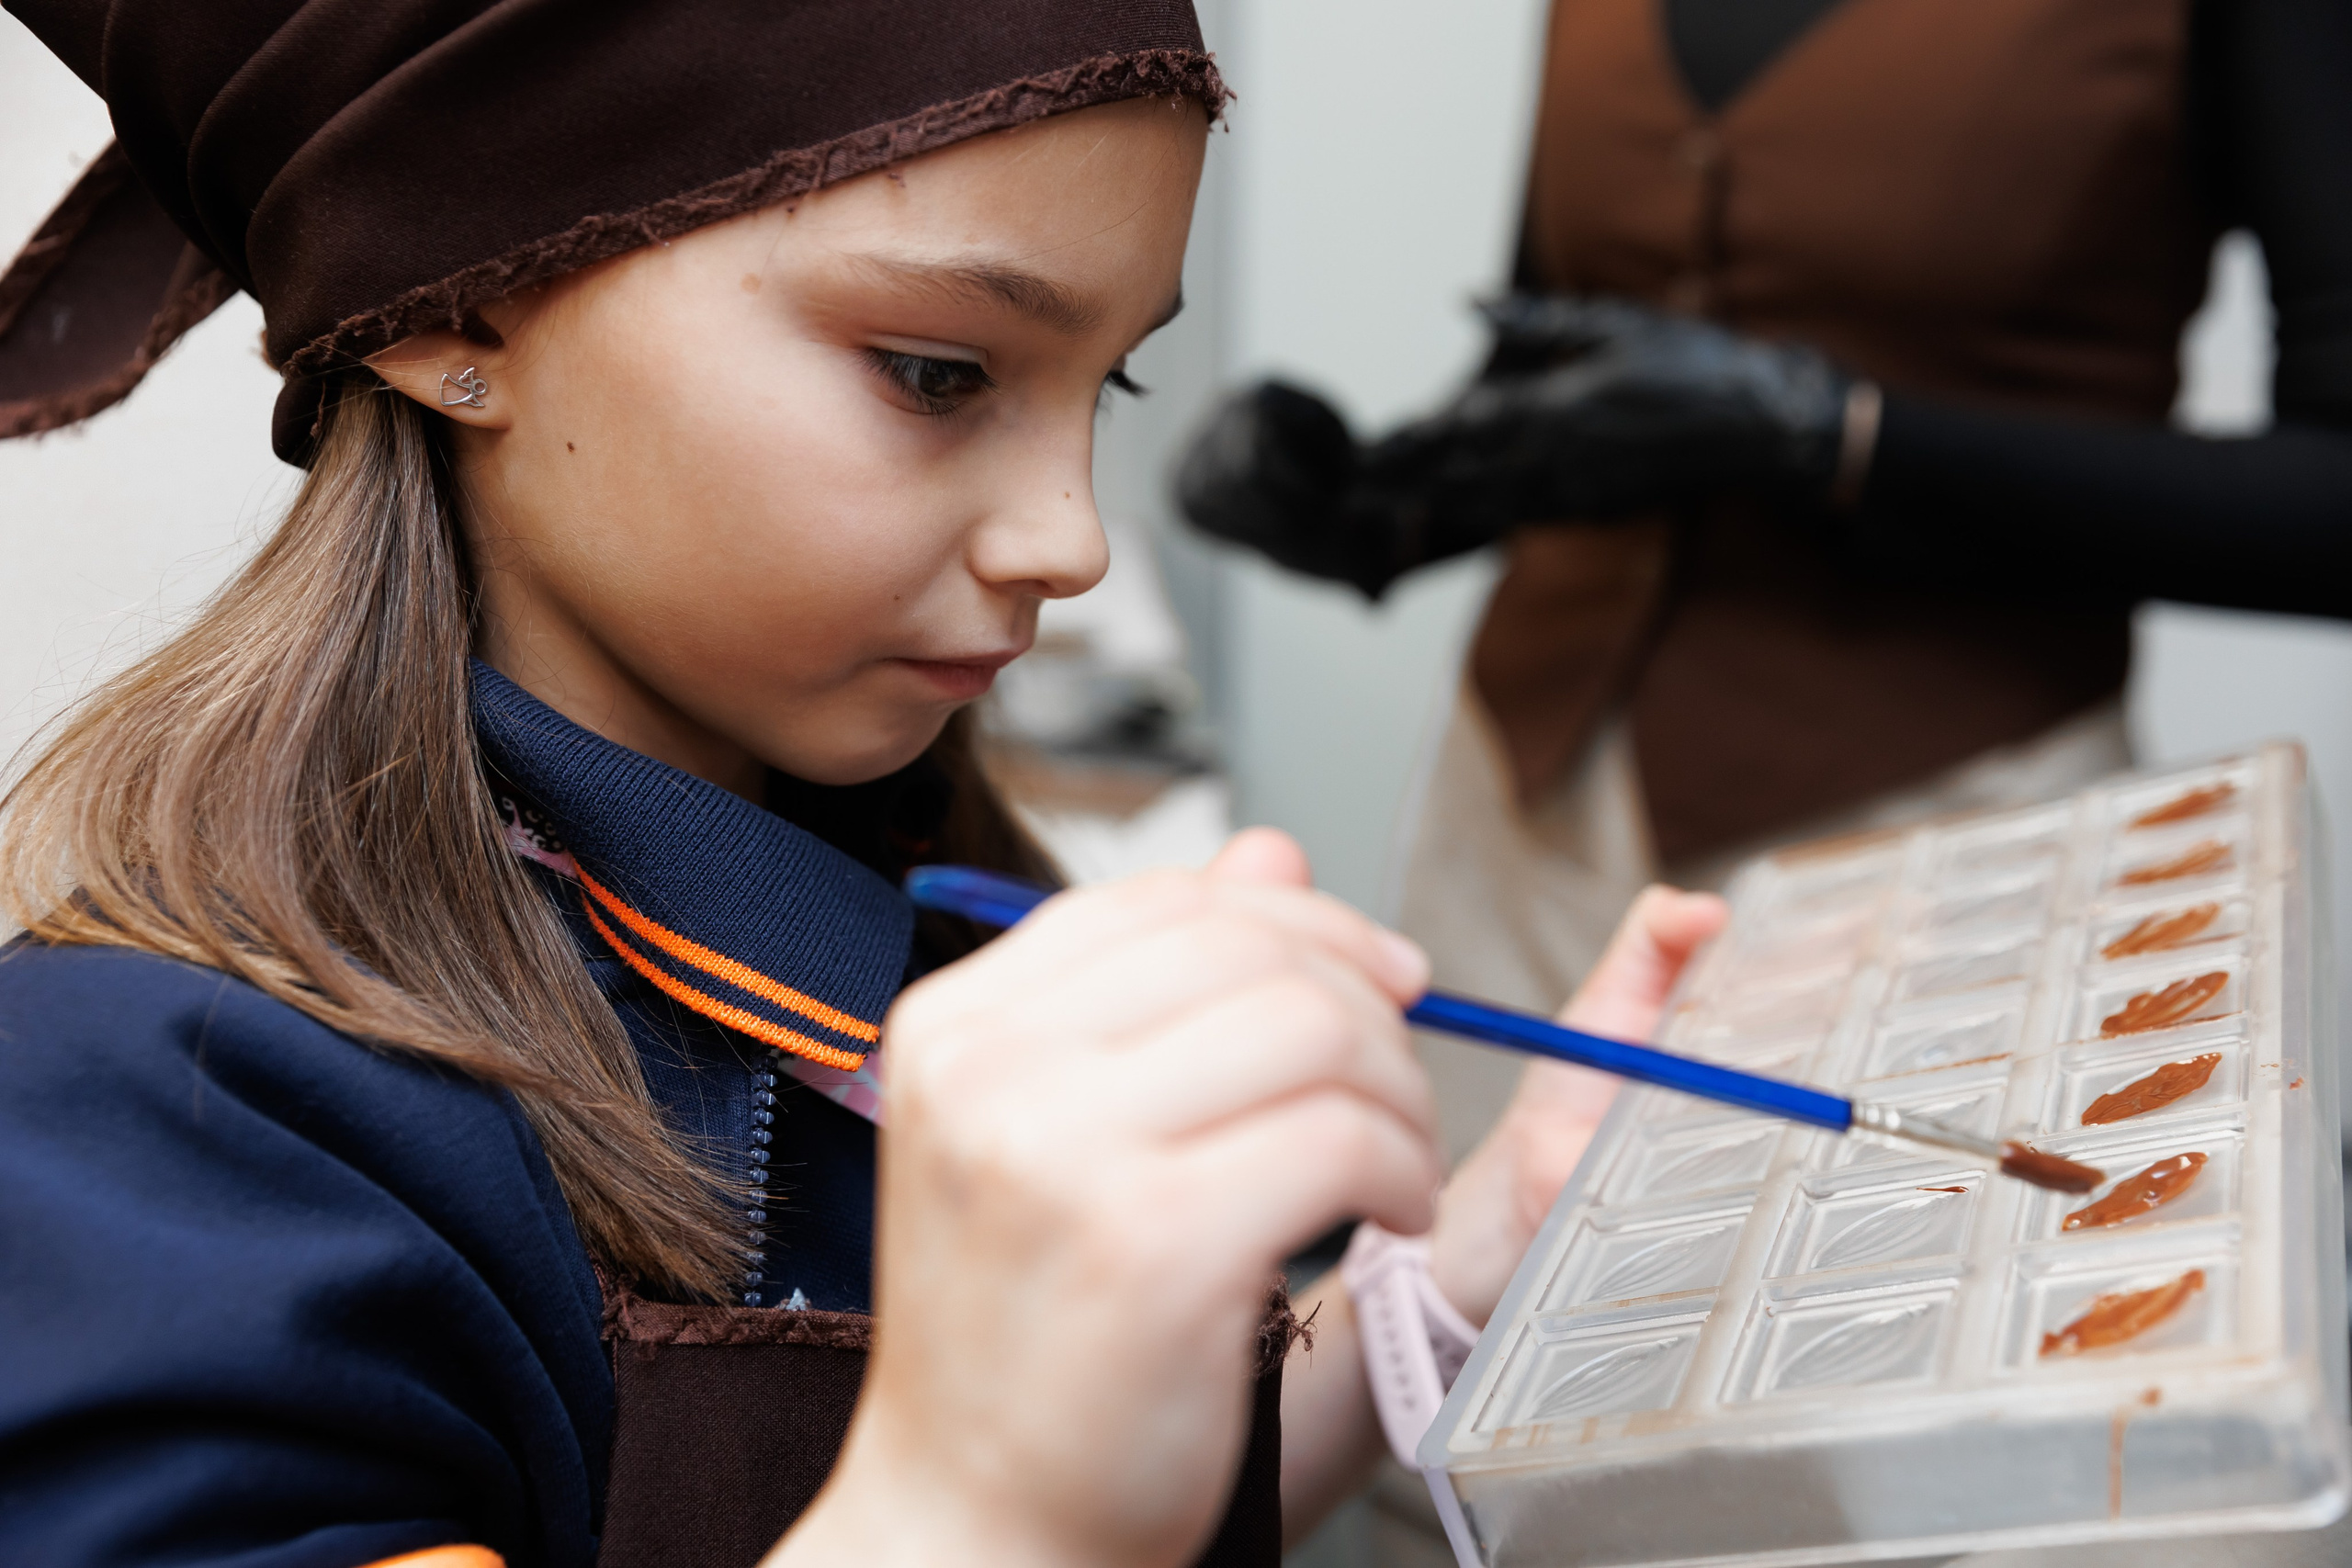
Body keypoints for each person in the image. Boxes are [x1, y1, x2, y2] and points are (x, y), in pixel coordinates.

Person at [0, 5, 1724, 1565]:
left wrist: (1456, 1273)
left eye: (1102, 383)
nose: (1074, 539)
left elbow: (1142, 1493)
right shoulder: (161, 1131)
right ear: (456, 312)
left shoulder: (909, 891)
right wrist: (971, 1504)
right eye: (939, 373)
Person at [1178, 0, 2352, 1166]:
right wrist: (1369, 507)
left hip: (1944, 862)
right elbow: (1561, 365)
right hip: (1519, 827)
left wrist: (1841, 440)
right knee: (1439, 1318)